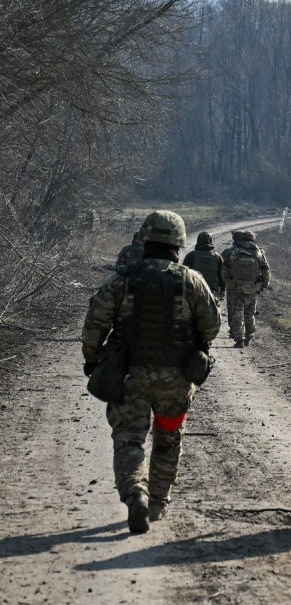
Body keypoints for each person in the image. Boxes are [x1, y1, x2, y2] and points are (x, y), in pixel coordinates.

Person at [82, 210, 221, 534]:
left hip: (129, 377)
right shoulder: (191, 280)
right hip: (176, 381)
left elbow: (96, 322)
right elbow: (212, 326)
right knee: (168, 439)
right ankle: (157, 502)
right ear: (178, 243)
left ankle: (136, 494)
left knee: (129, 439)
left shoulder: (122, 278)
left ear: (146, 239)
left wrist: (92, 358)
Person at [221, 229, 270, 348]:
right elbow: (266, 270)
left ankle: (239, 339)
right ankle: (249, 336)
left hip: (236, 289)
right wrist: (264, 284)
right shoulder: (258, 253)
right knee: (249, 314)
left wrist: (228, 282)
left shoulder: (234, 252)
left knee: (237, 313)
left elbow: (224, 269)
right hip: (252, 288)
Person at [182, 231, 225, 299]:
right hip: (212, 291)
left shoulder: (191, 256)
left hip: (194, 290)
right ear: (210, 241)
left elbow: (183, 274)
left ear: (198, 241)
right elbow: (221, 275)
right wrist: (223, 289)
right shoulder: (217, 257)